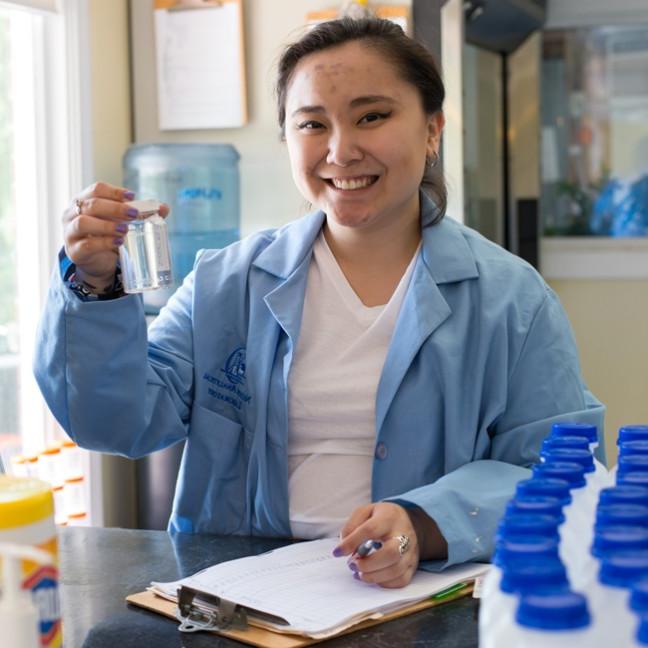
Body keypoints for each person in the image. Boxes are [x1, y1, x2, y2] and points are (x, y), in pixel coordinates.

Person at [34, 18, 604, 588]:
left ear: (432, 129)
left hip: (422, 599)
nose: (341, 150)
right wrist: (93, 288)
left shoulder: (512, 300)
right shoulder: (225, 284)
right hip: (241, 603)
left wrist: (426, 524)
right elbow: (113, 423)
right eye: (312, 124)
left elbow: (560, 471)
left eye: (372, 116)